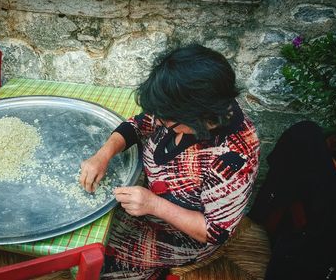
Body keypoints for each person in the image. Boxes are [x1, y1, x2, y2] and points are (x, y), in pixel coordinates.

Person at [79, 43, 260, 279]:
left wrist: (154, 205)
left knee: (96, 259)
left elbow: (213, 231)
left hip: (179, 236)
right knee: (91, 229)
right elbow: (138, 124)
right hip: (146, 204)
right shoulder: (184, 109)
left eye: (166, 120)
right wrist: (102, 155)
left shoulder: (234, 158)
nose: (158, 121)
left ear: (200, 118)